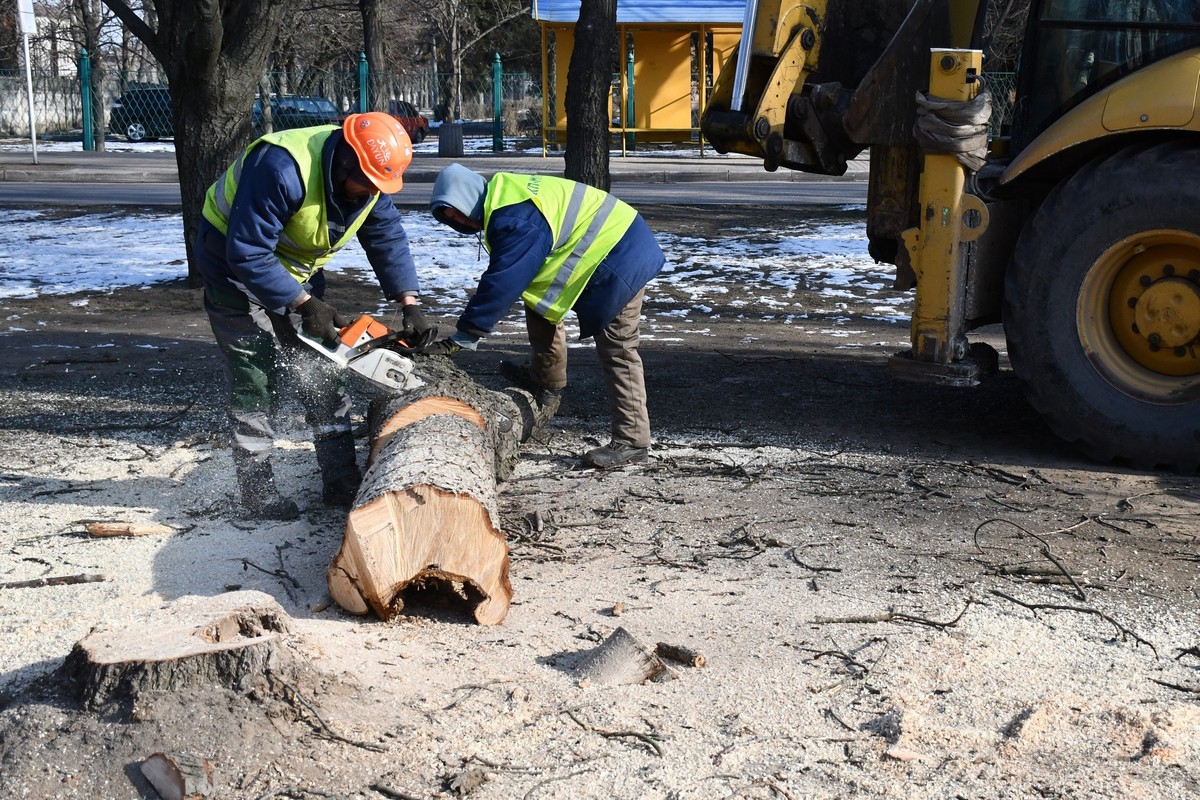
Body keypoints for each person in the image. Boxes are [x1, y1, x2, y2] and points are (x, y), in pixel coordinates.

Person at [196, 112, 433, 519]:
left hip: (296, 273)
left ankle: (339, 477)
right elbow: (248, 251)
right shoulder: (281, 168)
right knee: (256, 373)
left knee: (324, 368)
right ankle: (257, 489)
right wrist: (305, 304)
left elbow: (386, 235)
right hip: (232, 269)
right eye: (367, 185)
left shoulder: (369, 180)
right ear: (346, 162)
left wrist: (408, 300)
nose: (370, 194)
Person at [425, 164, 666, 469]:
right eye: (450, 219)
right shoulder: (504, 198)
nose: (459, 220)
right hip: (603, 245)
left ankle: (633, 441)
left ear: (470, 196)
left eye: (458, 211)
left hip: (621, 252)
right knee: (539, 301)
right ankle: (547, 382)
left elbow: (503, 281)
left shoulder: (513, 216)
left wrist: (465, 334)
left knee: (618, 347)